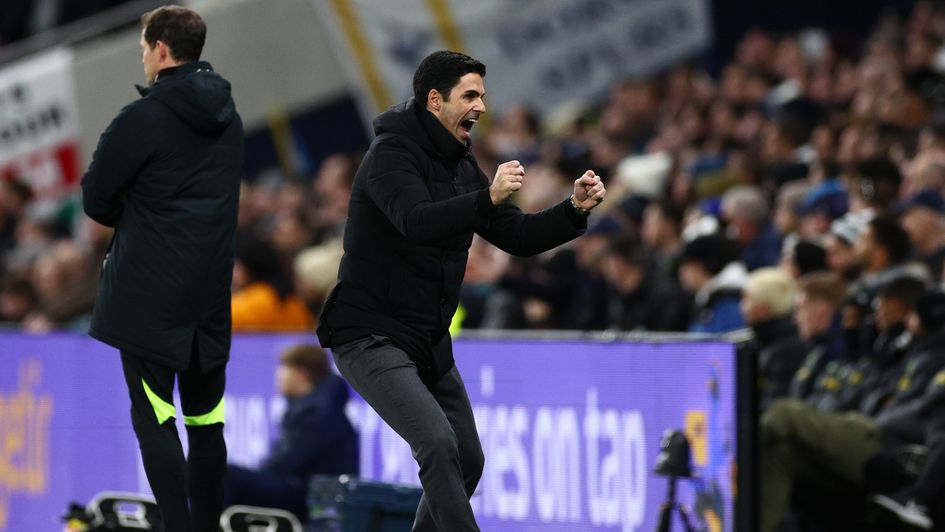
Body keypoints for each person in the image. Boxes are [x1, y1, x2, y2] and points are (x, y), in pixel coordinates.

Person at [316, 50, 606, 532]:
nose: (482, 107)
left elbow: (517, 236)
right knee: (436, 443)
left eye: (483, 96)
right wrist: (486, 197)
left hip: (426, 340)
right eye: (470, 95)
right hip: (369, 333)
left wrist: (573, 209)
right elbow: (416, 221)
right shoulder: (390, 156)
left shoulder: (460, 162)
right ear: (435, 100)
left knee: (467, 458)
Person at [81, 6, 243, 531]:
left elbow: (96, 197)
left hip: (149, 292)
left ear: (162, 50)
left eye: (144, 49)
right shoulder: (229, 117)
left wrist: (139, 213)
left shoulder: (143, 117)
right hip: (209, 291)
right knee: (207, 422)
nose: (144, 59)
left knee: (155, 418)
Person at [225, 344, 358, 522]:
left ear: (301, 374)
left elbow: (284, 464)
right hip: (305, 490)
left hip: (312, 499)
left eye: (284, 369)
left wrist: (255, 478)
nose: (278, 376)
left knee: (226, 475)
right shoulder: (313, 407)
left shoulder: (317, 413)